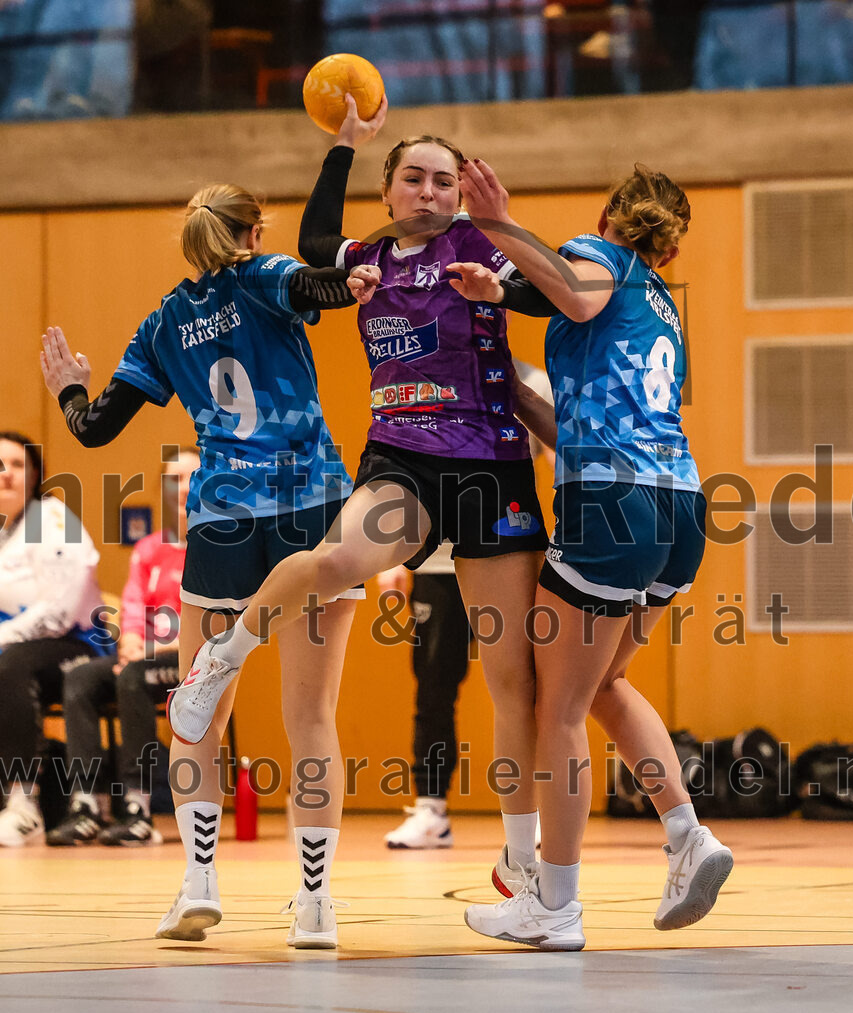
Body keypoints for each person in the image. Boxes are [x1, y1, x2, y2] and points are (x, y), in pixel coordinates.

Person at [169, 96, 563, 887]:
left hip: (492, 465)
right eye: (413, 178)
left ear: (461, 192)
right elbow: (315, 238)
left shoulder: (482, 243)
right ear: (389, 192)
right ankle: (226, 656)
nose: (429, 192)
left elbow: (550, 294)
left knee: (511, 680)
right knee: (333, 557)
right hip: (402, 459)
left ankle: (523, 864)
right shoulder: (367, 259)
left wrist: (504, 253)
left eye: (443, 181)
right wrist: (344, 144)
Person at [39, 183, 364, 949]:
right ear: (253, 231)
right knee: (311, 716)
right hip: (310, 507)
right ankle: (315, 901)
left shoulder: (162, 322)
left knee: (199, 716)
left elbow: (93, 428)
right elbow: (317, 285)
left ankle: (198, 880)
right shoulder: (263, 275)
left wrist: (68, 390)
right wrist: (349, 279)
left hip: (221, 518)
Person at [456, 158, 732, 950]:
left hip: (612, 503)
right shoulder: (663, 305)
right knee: (604, 680)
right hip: (677, 506)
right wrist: (512, 391)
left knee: (560, 703)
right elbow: (579, 422)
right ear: (671, 249)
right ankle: (688, 836)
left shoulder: (598, 256)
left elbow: (575, 290)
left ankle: (556, 901)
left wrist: (501, 221)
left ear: (611, 217)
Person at [381, 361, 554, 851]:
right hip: (435, 563)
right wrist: (392, 555)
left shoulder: (528, 380)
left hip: (505, 550)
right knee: (434, 687)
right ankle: (430, 809)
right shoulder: (415, 365)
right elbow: (399, 463)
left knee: (522, 684)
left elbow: (553, 460)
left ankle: (534, 811)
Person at [0, 430, 111, 847]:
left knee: (8, 669)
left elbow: (57, 610)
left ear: (34, 474)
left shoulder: (52, 518)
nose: (6, 474)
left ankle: (23, 808)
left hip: (67, 645)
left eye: (17, 465)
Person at [46, 447, 201, 848]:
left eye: (191, 476)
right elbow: (133, 604)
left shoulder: (220, 543)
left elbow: (217, 620)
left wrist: (147, 648)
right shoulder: (149, 549)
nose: (183, 487)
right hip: (141, 653)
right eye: (175, 479)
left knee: (133, 676)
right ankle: (87, 804)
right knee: (80, 677)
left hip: (197, 659)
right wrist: (132, 640)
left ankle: (137, 808)